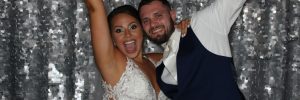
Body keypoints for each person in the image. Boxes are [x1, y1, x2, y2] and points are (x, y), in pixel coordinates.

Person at [138, 0, 247, 99]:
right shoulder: (160, 68)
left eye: (158, 15)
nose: (152, 24)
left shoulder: (202, 24)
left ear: (172, 15)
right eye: (146, 21)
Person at [85, 0, 188, 99]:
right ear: (111, 38)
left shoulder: (156, 60)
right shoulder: (112, 63)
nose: (127, 34)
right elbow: (95, 7)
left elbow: (185, 55)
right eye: (118, 30)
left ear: (142, 30)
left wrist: (181, 29)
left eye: (133, 27)